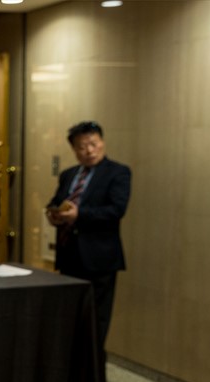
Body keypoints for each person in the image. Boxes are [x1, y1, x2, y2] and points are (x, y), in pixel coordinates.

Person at [46, 121, 131, 348]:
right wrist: (54, 215)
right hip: (69, 257)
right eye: (82, 146)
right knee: (70, 321)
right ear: (74, 149)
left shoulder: (118, 172)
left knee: (96, 323)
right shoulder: (68, 174)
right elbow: (56, 201)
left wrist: (79, 214)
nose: (89, 150)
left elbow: (116, 210)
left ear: (102, 142)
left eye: (93, 144)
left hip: (99, 259)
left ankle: (94, 369)